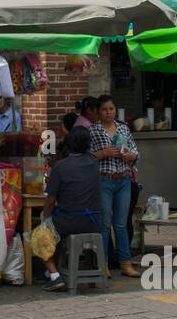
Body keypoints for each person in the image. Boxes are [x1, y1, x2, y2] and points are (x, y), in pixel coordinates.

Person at [38, 127, 104, 290]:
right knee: (56, 230)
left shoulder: (61, 166)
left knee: (41, 235)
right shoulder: (94, 163)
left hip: (69, 222)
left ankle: (54, 275)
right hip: (93, 222)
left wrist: (44, 219)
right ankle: (54, 271)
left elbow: (50, 200)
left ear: (68, 144)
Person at [88, 95, 140, 277]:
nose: (108, 112)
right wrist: (103, 153)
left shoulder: (124, 129)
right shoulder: (93, 131)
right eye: (104, 109)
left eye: (111, 109)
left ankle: (125, 263)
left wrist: (129, 156)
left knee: (121, 224)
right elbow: (86, 158)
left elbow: (135, 153)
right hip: (104, 180)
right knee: (104, 224)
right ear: (98, 112)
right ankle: (103, 265)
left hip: (124, 179)